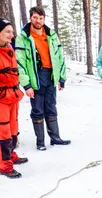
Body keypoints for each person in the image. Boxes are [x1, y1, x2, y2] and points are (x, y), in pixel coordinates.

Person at [15, 6, 70, 151]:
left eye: (40, 18)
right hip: (35, 76)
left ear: (44, 19)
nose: (38, 21)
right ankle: (40, 141)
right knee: (38, 109)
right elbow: (20, 62)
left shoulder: (51, 35)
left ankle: (55, 137)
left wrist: (61, 77)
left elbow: (59, 57)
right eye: (35, 17)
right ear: (30, 18)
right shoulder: (23, 37)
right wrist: (26, 85)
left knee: (51, 107)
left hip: (51, 75)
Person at [0, 18, 28, 178]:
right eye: (7, 32)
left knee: (12, 129)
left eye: (12, 31)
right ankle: (4, 165)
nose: (12, 34)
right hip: (2, 98)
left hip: (13, 96)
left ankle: (10, 155)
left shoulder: (9, 48)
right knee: (2, 131)